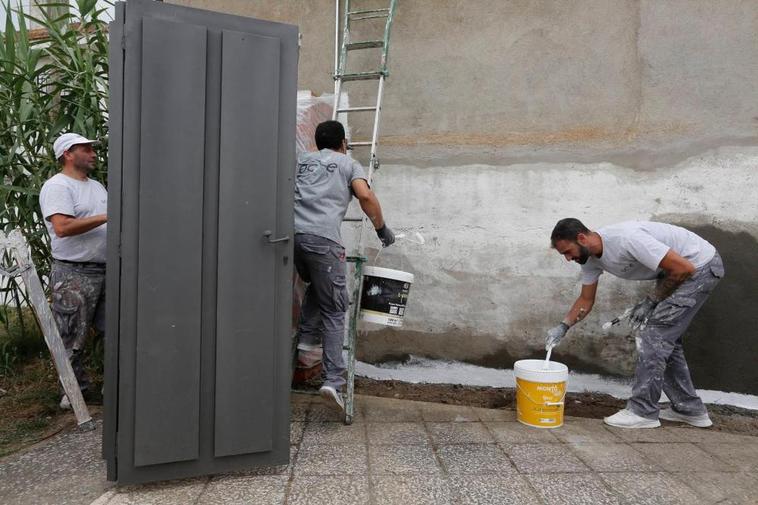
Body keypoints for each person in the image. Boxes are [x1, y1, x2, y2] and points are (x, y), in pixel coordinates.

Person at [546, 218, 723, 429]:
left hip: (698, 267)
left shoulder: (627, 239)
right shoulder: (589, 259)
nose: (567, 258)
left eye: (567, 251)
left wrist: (651, 301)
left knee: (652, 337)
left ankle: (643, 412)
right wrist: (563, 326)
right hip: (674, 271)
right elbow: (586, 300)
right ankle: (690, 410)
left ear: (582, 238)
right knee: (665, 341)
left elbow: (684, 268)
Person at [294, 120, 394, 411]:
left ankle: (306, 341)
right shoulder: (348, 164)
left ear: (316, 142)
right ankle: (333, 381)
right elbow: (364, 195)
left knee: (317, 284)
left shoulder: (302, 160)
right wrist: (381, 228)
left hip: (292, 238)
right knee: (337, 308)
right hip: (323, 240)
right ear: (343, 142)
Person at [39, 133, 107, 409]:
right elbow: (62, 228)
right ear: (68, 153)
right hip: (73, 273)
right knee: (71, 337)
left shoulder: (97, 187)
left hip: (106, 269)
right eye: (86, 148)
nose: (93, 153)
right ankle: (75, 395)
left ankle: (111, 391)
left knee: (115, 330)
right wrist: (109, 215)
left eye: (92, 148)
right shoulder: (57, 186)